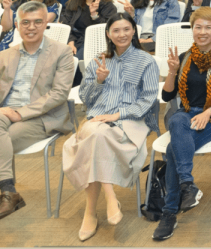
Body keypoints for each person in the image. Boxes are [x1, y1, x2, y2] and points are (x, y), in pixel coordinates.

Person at [0, 2, 77, 248]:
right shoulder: (5, 55)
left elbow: (59, 94)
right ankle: (7, 191)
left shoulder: (61, 52)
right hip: (3, 119)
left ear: (45, 24)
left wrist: (20, 113)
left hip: (41, 117)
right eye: (25, 22)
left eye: (37, 22)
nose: (31, 27)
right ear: (18, 25)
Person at [63, 13, 160, 240]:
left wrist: (117, 114)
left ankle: (90, 212)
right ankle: (109, 197)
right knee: (96, 134)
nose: (122, 34)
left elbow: (147, 101)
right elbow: (85, 98)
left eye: (126, 29)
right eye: (116, 30)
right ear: (108, 34)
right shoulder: (99, 60)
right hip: (98, 119)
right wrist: (99, 80)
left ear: (133, 31)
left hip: (130, 121)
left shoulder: (147, 61)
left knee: (94, 137)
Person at [153, 7, 211, 241]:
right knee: (179, 118)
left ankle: (170, 211)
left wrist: (208, 112)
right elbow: (166, 97)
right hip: (185, 116)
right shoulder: (185, 57)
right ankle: (187, 185)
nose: (202, 32)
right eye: (198, 27)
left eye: (208, 27)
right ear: (192, 29)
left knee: (173, 148)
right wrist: (172, 72)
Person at [59, 0, 117, 65]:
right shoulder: (72, 4)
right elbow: (66, 24)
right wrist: (70, 41)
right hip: (76, 41)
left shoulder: (107, 5)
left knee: (75, 62)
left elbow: (110, 28)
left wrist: (95, 16)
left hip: (97, 42)